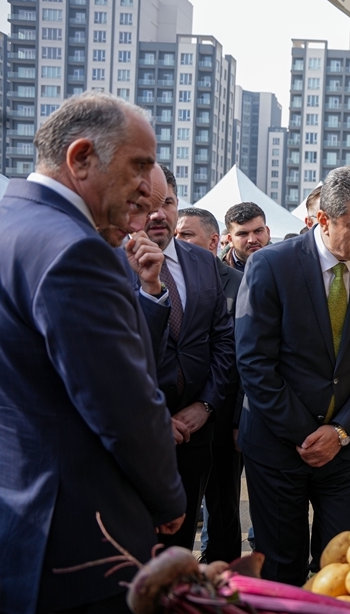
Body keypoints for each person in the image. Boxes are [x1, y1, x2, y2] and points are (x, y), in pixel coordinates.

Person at [0, 92, 185, 614]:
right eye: (139, 166)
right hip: (75, 537)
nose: (149, 187)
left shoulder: (0, 228)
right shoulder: (74, 250)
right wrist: (168, 498)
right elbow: (124, 405)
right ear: (80, 159)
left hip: (9, 518)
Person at [235, 166, 350, 585]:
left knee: (345, 565)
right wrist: (307, 434)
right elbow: (255, 363)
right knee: (280, 566)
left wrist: (339, 433)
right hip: (277, 446)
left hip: (345, 450)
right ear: (324, 219)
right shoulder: (271, 266)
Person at [131, 167, 236, 552]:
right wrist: (155, 418)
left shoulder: (203, 261)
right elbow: (111, 357)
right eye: (149, 206)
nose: (158, 214)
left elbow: (223, 340)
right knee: (136, 543)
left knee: (182, 537)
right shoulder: (109, 261)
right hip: (136, 431)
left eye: (168, 204)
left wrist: (206, 405)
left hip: (196, 431)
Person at [176, 206, 245, 564]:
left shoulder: (238, 283)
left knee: (223, 504)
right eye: (177, 234)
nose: (178, 240)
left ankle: (222, 573)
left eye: (187, 235)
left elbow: (238, 354)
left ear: (214, 240)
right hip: (179, 419)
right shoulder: (167, 276)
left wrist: (227, 416)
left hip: (222, 414)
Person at [222, 202, 271, 272]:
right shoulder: (214, 274)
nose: (252, 240)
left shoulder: (288, 267)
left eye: (258, 231)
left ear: (268, 232)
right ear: (230, 240)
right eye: (243, 234)